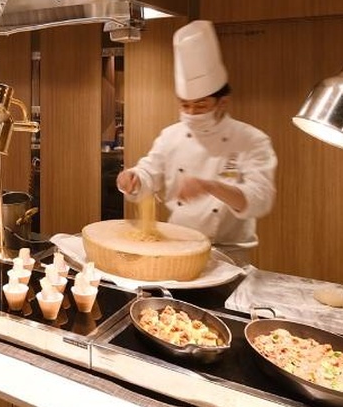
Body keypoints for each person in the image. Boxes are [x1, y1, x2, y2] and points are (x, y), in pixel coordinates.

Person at [115, 20, 277, 267]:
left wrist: (209, 186)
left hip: (229, 255)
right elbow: (148, 174)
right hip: (177, 247)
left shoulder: (251, 140)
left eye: (200, 105)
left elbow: (260, 200)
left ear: (222, 102)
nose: (191, 112)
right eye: (185, 105)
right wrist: (132, 178)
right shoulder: (171, 136)